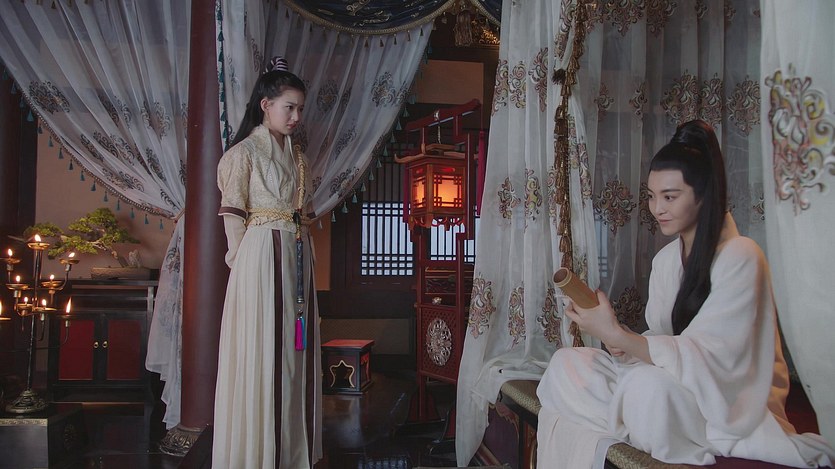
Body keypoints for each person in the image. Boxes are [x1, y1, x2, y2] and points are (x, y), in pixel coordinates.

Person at [536, 120, 835, 468]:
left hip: (726, 401)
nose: (657, 208)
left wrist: (618, 335)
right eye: (651, 196)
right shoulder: (666, 261)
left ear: (703, 195)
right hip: (672, 387)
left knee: (648, 390)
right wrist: (621, 343)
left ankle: (634, 416)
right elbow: (661, 341)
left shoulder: (742, 255)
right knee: (566, 365)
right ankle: (635, 417)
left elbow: (714, 357)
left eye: (670, 197)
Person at [213, 56, 322, 469]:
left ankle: (291, 451)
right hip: (260, 255)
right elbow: (232, 216)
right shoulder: (243, 154)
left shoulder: (299, 160)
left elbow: (304, 212)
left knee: (295, 346)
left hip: (297, 255)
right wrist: (241, 264)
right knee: (264, 348)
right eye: (288, 107)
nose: (295, 117)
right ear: (266, 105)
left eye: (300, 109)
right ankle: (257, 452)